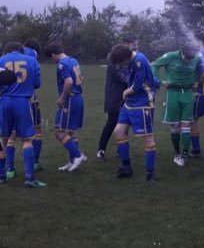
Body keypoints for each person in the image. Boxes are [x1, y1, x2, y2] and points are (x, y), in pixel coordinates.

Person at [0, 41, 46, 187]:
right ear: (21, 50)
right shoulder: (32, 60)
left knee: (3, 138)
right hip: (23, 101)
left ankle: (2, 174)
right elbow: (37, 84)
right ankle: (29, 178)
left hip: (4, 101)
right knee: (27, 140)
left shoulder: (1, 60)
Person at [109, 44, 157, 181]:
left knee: (148, 139)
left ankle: (150, 175)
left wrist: (125, 92)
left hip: (142, 103)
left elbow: (138, 86)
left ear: (125, 58)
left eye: (120, 62)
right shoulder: (132, 58)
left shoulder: (139, 61)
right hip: (130, 103)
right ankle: (126, 168)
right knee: (118, 132)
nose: (120, 65)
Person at [151, 44, 201, 167]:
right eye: (186, 59)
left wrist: (196, 81)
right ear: (181, 53)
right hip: (172, 93)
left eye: (191, 59)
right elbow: (154, 66)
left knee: (186, 125)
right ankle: (177, 153)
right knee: (175, 126)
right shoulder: (170, 56)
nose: (188, 61)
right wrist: (159, 81)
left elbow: (199, 70)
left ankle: (184, 154)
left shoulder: (197, 57)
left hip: (188, 93)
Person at [44, 43, 86, 172]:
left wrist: (62, 97)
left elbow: (68, 81)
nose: (52, 61)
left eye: (51, 58)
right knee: (70, 132)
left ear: (53, 54)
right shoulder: (73, 60)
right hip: (78, 98)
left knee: (58, 131)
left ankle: (78, 155)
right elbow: (81, 78)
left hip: (70, 99)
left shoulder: (62, 64)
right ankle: (73, 161)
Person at [96, 34, 139, 161]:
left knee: (125, 123)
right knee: (112, 122)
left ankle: (121, 149)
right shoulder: (115, 57)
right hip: (115, 96)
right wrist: (137, 82)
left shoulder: (131, 58)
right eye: (134, 44)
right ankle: (101, 150)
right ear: (126, 43)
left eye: (137, 45)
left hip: (127, 95)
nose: (136, 47)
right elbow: (121, 77)